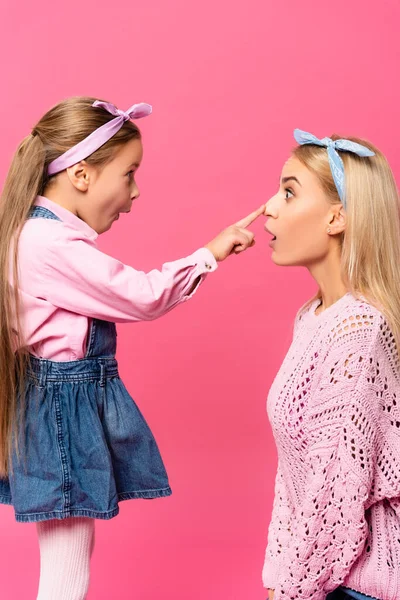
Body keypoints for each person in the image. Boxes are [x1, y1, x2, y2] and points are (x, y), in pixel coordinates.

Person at [0, 96, 264, 599]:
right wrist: (208, 255)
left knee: (70, 547)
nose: (135, 191)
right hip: (62, 412)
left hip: (60, 405)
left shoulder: (37, 237)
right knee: (67, 562)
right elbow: (141, 297)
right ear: (81, 176)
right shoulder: (48, 244)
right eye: (128, 173)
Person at [263, 129, 400, 600]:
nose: (269, 208)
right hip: (323, 583)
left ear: (336, 217)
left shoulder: (358, 329)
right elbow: (295, 479)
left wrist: (291, 590)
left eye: (288, 191)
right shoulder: (315, 317)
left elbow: (333, 497)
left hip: (362, 589)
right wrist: (277, 578)